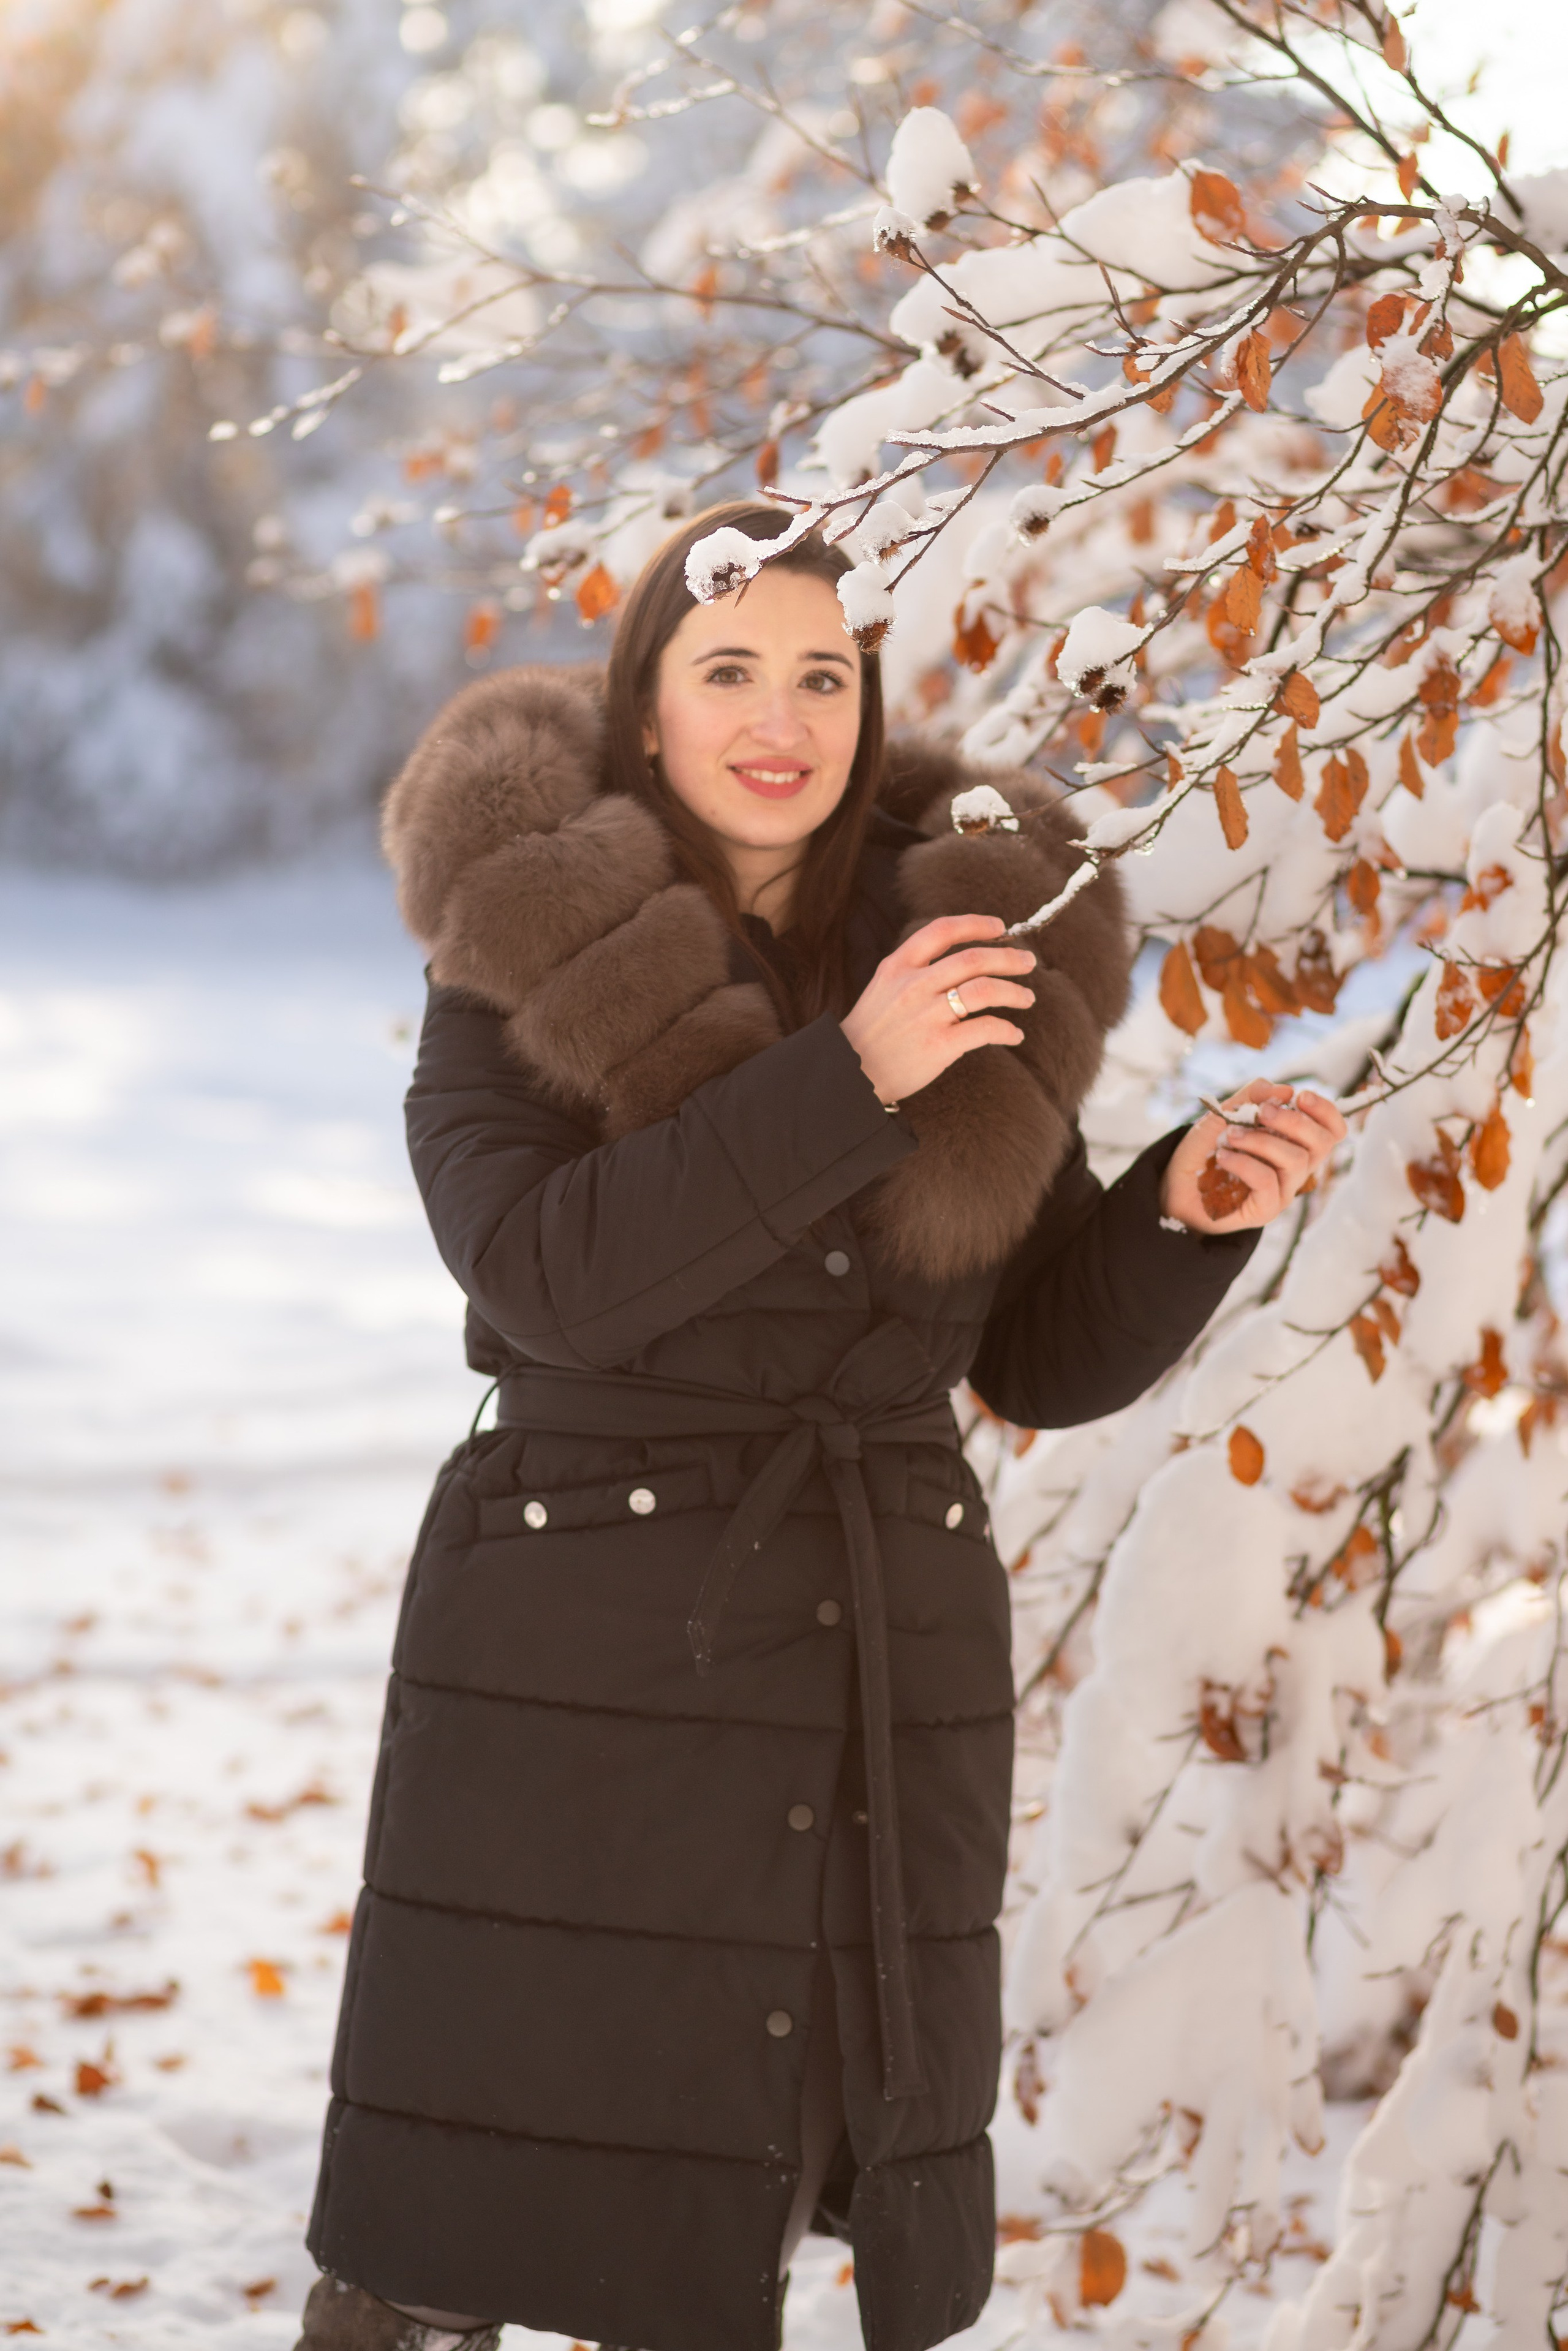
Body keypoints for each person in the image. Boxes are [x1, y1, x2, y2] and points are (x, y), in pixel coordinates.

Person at [292, 502, 1343, 2351]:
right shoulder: (515, 962)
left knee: (747, 2211)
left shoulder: (967, 946)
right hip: (588, 1659)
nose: (780, 718)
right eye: (728, 673)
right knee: (480, 2201)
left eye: (822, 675)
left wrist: (1185, 1216)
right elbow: (554, 1280)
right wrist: (849, 1075)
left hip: (870, 1658)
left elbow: (1022, 1352)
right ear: (645, 717)